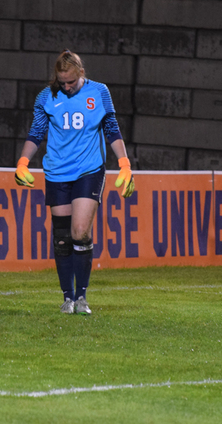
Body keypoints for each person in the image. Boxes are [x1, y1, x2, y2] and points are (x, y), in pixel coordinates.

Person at [14, 49, 135, 315]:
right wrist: (23, 162)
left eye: (70, 81)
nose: (66, 87)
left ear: (81, 73)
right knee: (61, 238)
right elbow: (36, 132)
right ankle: (67, 298)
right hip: (57, 172)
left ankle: (82, 297)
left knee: (80, 230)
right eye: (61, 82)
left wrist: (124, 164)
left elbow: (112, 129)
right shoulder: (47, 96)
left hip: (88, 170)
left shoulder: (99, 92)